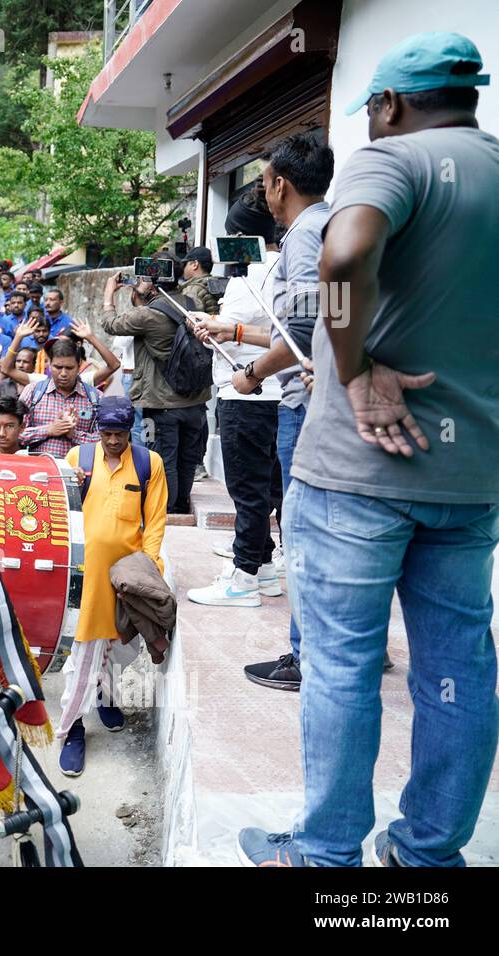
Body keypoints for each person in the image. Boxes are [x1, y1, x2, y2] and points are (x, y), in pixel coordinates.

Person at [238, 32, 499, 869]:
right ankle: (427, 856)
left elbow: (346, 255)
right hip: (470, 472)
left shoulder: (395, 162)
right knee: (458, 670)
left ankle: (326, 855)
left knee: (344, 667)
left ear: (388, 104)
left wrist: (351, 374)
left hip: (359, 472)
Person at [230, 130, 334, 688]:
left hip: (304, 404)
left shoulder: (301, 237)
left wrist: (251, 374)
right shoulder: (338, 225)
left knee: (301, 532)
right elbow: (326, 318)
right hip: (332, 397)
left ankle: (304, 655)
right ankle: (347, 644)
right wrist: (236, 330)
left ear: (280, 185)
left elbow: (298, 328)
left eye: (265, 182)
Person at [54, 398, 168, 776]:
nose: (114, 441)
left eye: (120, 434)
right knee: (83, 655)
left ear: (131, 430)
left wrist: (148, 568)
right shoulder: (77, 459)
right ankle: (73, 729)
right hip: (85, 576)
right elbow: (61, 512)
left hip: (126, 577)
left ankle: (105, 698)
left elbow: (154, 521)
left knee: (122, 647)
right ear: (96, 430)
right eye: (107, 434)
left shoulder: (150, 464)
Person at [185, 238, 285, 609]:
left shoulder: (255, 273)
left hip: (248, 394)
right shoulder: (290, 264)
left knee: (249, 491)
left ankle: (244, 577)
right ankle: (262, 567)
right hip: (273, 394)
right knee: (263, 488)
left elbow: (235, 326)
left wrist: (214, 324)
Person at [100, 252, 209, 514]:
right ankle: (180, 504)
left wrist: (109, 293)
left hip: (161, 405)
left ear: (150, 282)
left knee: (162, 458)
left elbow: (110, 324)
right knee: (186, 459)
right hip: (196, 401)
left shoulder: (148, 315)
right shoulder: (194, 304)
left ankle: (167, 511)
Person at [3, 329, 103, 460]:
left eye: (69, 368)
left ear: (79, 365)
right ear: (49, 364)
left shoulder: (95, 398)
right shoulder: (33, 392)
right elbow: (15, 434)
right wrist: (48, 430)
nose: (63, 373)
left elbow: (104, 441)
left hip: (80, 471)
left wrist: (74, 434)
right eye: (58, 367)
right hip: (39, 471)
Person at [179, 246, 221, 315]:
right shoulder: (217, 283)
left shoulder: (192, 290)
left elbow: (188, 319)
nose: (183, 268)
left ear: (195, 265)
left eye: (185, 264)